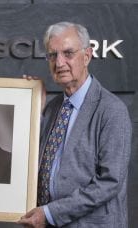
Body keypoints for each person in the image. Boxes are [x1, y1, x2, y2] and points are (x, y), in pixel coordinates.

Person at [18, 22, 132, 228]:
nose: (59, 63)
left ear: (87, 56)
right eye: (52, 55)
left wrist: (51, 213)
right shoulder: (52, 108)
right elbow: (31, 166)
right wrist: (34, 108)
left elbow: (109, 182)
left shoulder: (112, 110)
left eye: (68, 53)